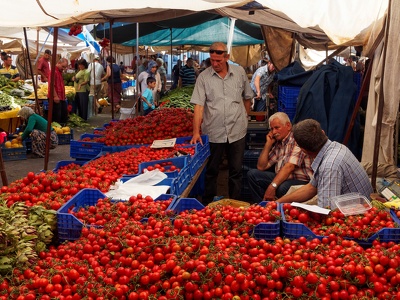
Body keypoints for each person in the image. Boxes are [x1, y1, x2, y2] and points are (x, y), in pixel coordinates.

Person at [190, 42, 253, 204]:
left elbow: (247, 97)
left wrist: (245, 118)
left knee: (236, 170)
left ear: (227, 57)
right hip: (213, 132)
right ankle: (208, 203)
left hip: (237, 130)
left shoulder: (239, 73)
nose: (215, 64)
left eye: (219, 61)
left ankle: (235, 203)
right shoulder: (204, 77)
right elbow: (198, 106)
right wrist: (196, 132)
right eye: (212, 61)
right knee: (211, 170)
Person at [276, 119, 374, 208]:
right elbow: (311, 188)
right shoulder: (336, 146)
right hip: (355, 207)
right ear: (323, 133)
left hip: (357, 214)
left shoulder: (329, 166)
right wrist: (278, 203)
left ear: (304, 150)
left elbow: (327, 210)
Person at [247, 112, 313, 203]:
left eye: (277, 128)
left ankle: (279, 209)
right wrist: (268, 144)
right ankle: (262, 208)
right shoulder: (279, 143)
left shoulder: (296, 139)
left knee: (282, 187)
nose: (274, 132)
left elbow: (289, 167)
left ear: (288, 126)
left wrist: (272, 186)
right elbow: (261, 167)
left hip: (302, 182)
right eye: (272, 129)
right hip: (284, 179)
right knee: (253, 175)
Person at [48, 58, 69, 125]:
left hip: (60, 97)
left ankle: (61, 129)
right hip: (55, 98)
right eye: (63, 66)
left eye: (65, 67)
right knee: (56, 117)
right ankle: (56, 132)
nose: (64, 68)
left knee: (63, 116)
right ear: (58, 63)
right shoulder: (53, 71)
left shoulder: (59, 72)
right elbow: (51, 85)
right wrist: (55, 96)